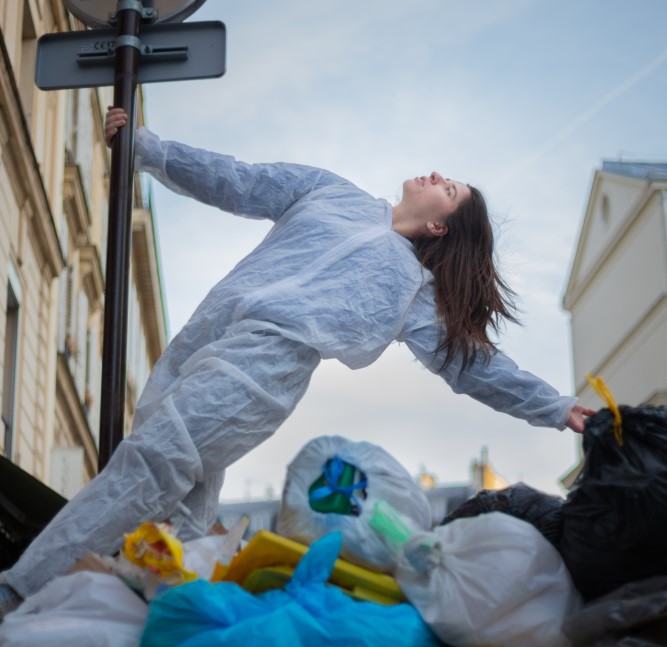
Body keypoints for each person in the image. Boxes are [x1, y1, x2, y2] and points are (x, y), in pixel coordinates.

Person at [0, 109, 593, 617]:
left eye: (451, 188)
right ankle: (137, 624)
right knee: (174, 513)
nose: (438, 175)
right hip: (200, 343)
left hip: (261, 372)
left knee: (149, 467)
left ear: (439, 223)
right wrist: (149, 150)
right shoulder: (330, 192)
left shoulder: (411, 289)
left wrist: (557, 407)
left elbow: (474, 365)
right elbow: (239, 181)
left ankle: (17, 590)